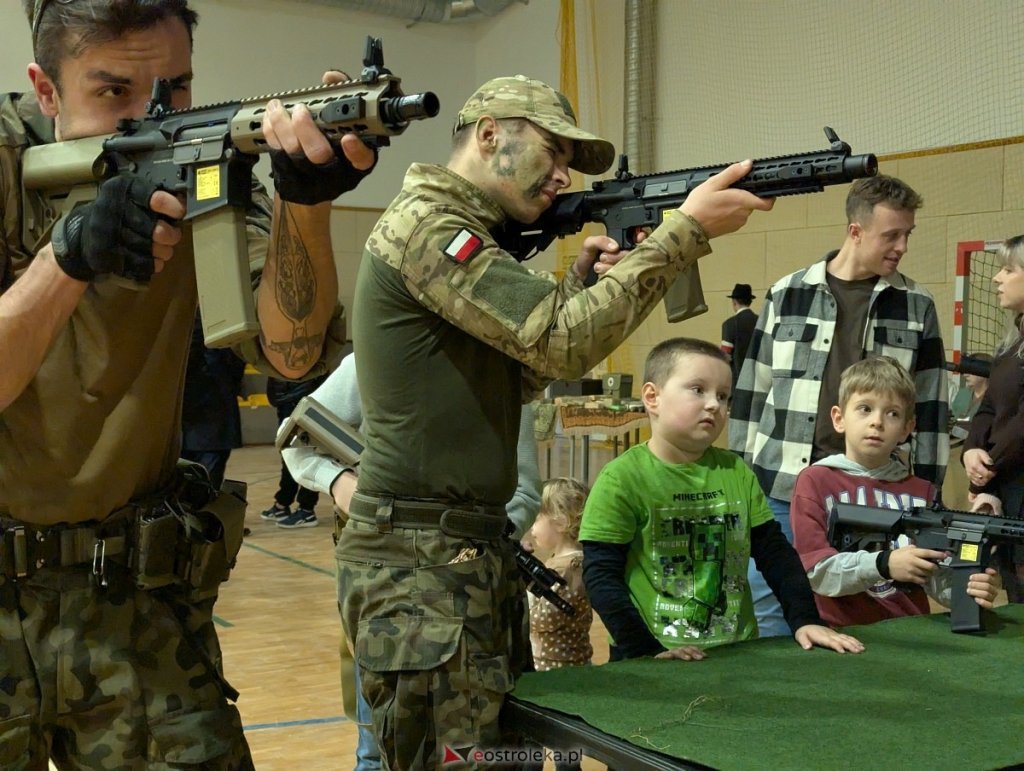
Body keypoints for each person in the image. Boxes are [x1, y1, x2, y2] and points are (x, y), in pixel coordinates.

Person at [337, 73, 774, 767]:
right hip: (421, 565)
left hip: (455, 557)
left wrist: (577, 287)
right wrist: (681, 233)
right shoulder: (430, 226)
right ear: (488, 135)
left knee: (495, 756)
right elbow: (561, 341)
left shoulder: (469, 237)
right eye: (552, 149)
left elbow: (525, 371)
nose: (563, 174)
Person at [0, 1, 376, 766]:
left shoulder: (203, 163)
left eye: (173, 88)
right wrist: (69, 256)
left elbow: (293, 355)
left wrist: (306, 202)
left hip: (131, 593)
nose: (152, 115)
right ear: (46, 90)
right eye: (113, 93)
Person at [279, 352, 543, 771]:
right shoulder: (376, 354)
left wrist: (471, 542)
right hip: (383, 596)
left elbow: (524, 491)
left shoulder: (503, 368)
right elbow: (295, 437)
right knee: (376, 746)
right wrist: (339, 483)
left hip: (476, 599)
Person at [729, 174, 949, 637]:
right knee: (776, 619)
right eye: (892, 235)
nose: (902, 246)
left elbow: (929, 408)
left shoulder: (916, 305)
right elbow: (751, 392)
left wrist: (928, 494)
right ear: (855, 231)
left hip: (874, 496)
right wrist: (737, 479)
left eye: (908, 234)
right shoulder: (787, 292)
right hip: (780, 489)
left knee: (868, 618)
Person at [578, 338, 863, 663]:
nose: (714, 404)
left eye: (723, 396)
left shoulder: (736, 472)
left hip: (735, 654)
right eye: (698, 389)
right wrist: (646, 652)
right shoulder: (621, 479)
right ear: (652, 397)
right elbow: (601, 578)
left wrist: (804, 619)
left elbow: (776, 556)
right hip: (650, 655)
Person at [791, 357, 1001, 627]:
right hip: (838, 633)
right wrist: (883, 564)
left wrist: (968, 587)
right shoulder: (816, 481)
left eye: (892, 414)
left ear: (907, 428)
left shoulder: (923, 491)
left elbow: (936, 576)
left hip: (911, 631)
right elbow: (816, 572)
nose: (877, 422)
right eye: (865, 409)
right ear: (839, 418)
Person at [964, 234, 1024, 601]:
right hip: (1009, 485)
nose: (996, 278)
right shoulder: (1012, 343)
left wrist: (988, 470)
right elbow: (989, 408)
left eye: (1008, 269)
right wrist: (971, 450)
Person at [527, 477, 593, 672]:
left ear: (561, 522)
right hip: (556, 663)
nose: (532, 526)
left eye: (537, 517)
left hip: (558, 668)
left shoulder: (569, 569)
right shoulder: (563, 562)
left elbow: (545, 619)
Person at [181, 313, 246, 490]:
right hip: (214, 422)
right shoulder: (224, 333)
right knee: (207, 490)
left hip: (191, 425)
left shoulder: (179, 335)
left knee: (186, 489)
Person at [260, 374, 329, 528]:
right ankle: (283, 502)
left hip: (303, 401)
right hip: (286, 401)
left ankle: (306, 509)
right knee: (289, 454)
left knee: (308, 454)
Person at [720, 282, 757, 387]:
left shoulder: (729, 324)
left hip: (737, 383)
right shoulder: (762, 322)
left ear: (734, 302)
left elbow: (725, 356)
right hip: (759, 382)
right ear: (750, 302)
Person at [949, 352, 991, 444]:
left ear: (984, 370)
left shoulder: (995, 397)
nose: (965, 375)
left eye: (971, 371)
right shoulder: (962, 394)